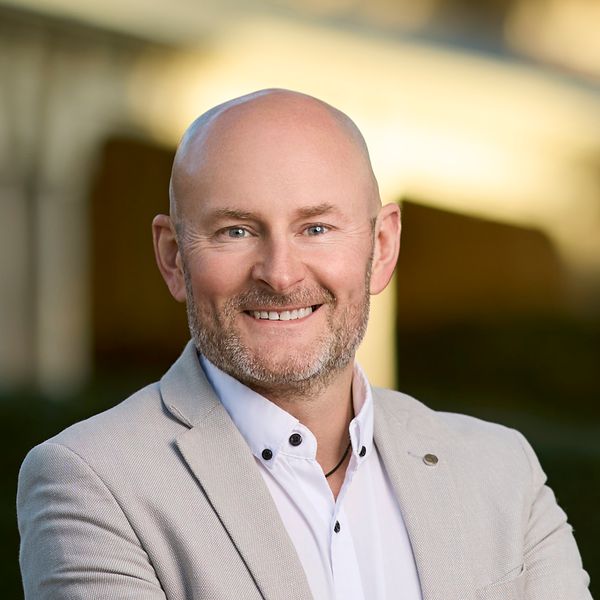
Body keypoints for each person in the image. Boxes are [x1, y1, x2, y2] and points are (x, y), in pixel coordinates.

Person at [17, 89, 591, 600]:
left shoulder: (501, 470)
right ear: (172, 257)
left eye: (316, 228)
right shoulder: (91, 481)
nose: (281, 274)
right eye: (236, 231)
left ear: (383, 247)